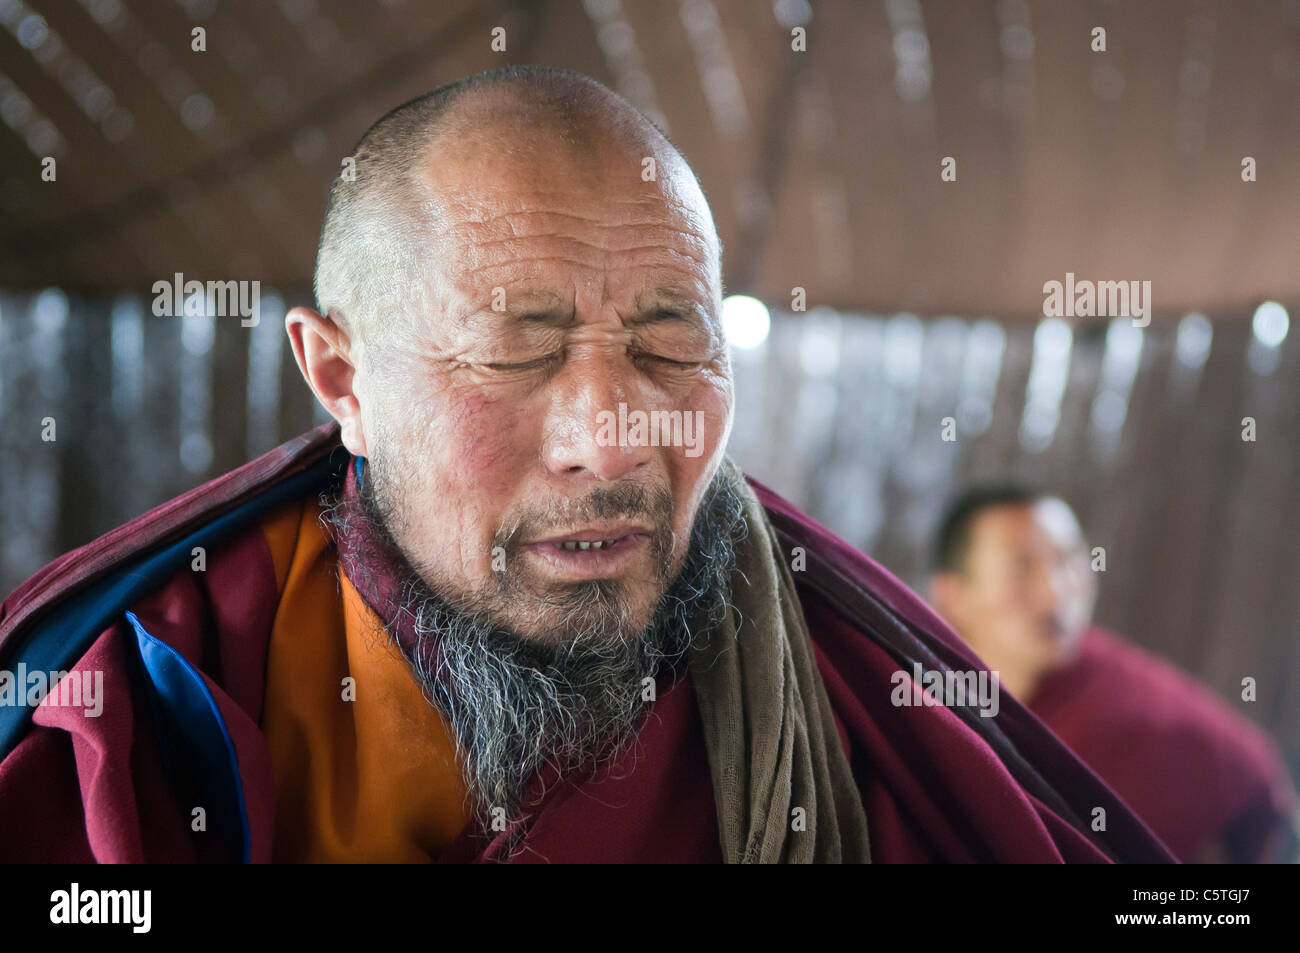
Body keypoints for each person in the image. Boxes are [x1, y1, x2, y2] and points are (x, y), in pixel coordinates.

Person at [0, 67, 1172, 863]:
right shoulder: (152, 676)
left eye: (672, 344)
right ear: (342, 380)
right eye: (517, 349)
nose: (614, 439)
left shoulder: (843, 690)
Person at [929, 482, 1299, 862]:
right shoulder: (924, 704)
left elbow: (1263, 806)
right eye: (1021, 567)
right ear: (952, 596)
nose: (1055, 594)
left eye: (1069, 562)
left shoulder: (1143, 713)